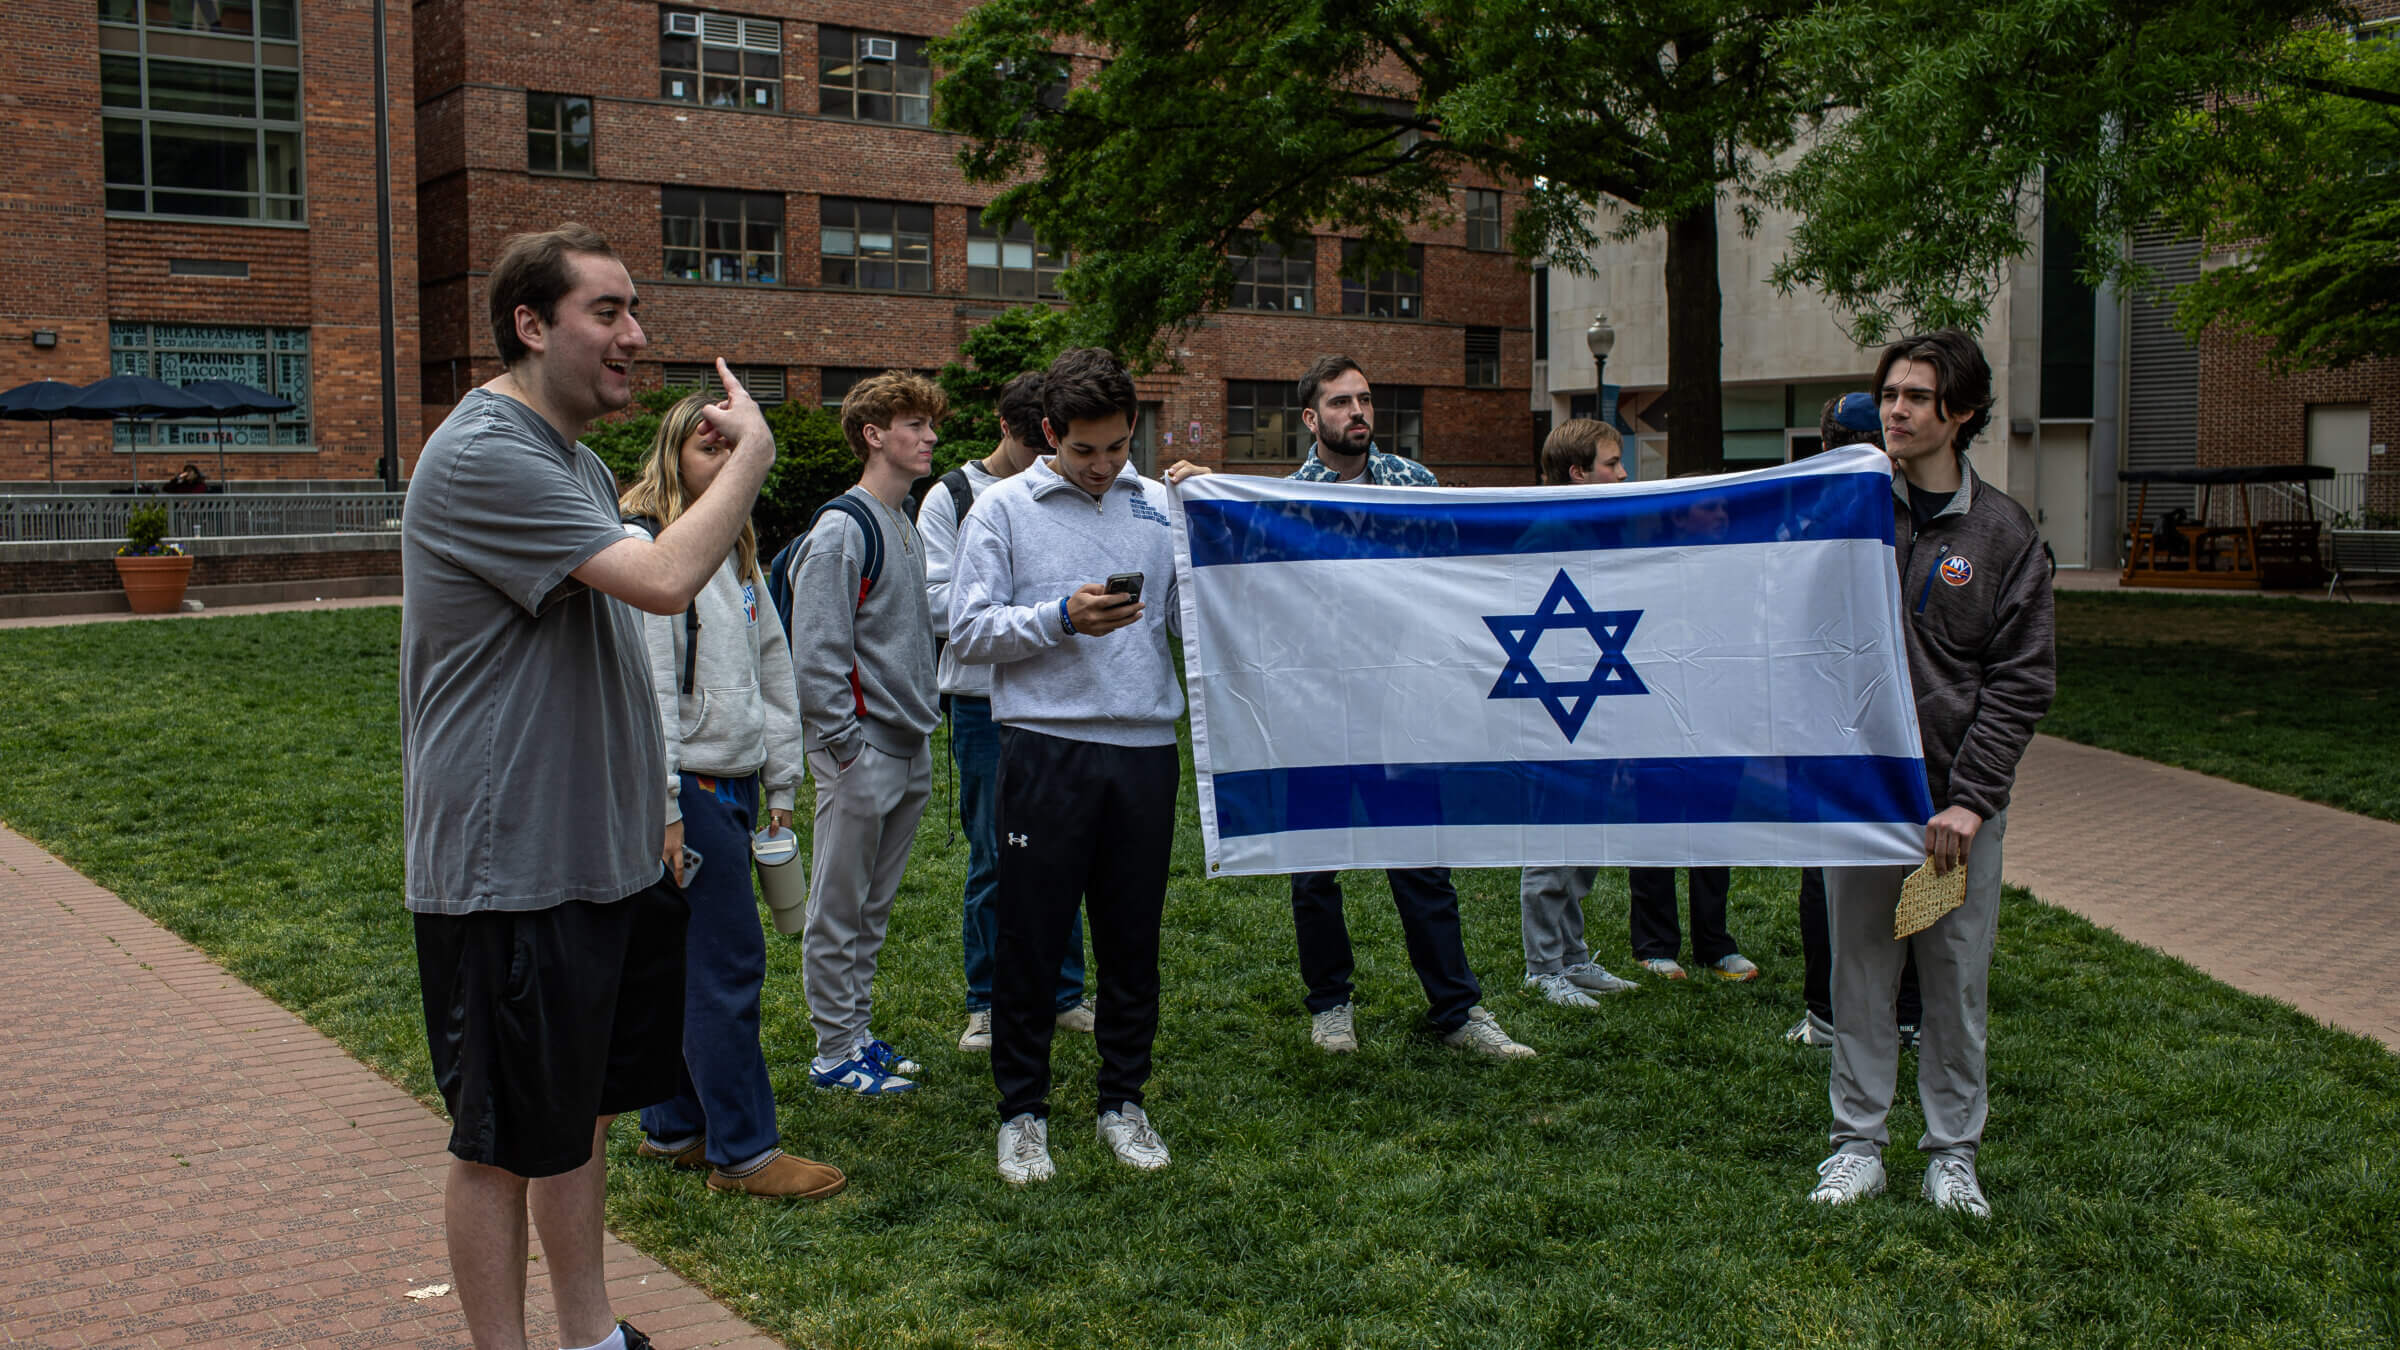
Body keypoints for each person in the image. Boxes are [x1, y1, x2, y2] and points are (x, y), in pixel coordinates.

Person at [400, 222, 775, 1350]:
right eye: (606, 312)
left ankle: (591, 1337)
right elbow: (662, 579)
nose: (635, 336)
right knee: (500, 1143)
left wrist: (652, 815)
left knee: (578, 1121)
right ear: (531, 323)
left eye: (634, 311)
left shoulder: (564, 459)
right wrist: (751, 457)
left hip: (596, 859)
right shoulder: (485, 453)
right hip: (506, 868)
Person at [1808, 329, 2054, 1218]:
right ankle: (1857, 1145)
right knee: (1860, 980)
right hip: (1865, 804)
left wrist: (1972, 801)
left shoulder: (2003, 534)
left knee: (1954, 985)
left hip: (1954, 816)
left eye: (1917, 397)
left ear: (1961, 414)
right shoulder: (1849, 507)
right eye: (1890, 394)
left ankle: (1952, 1154)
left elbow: (2022, 681)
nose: (1896, 410)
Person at [949, 346, 1207, 1184]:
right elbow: (969, 630)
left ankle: (1123, 1102)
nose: (1101, 467)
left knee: (1133, 940)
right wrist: (1060, 617)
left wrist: (1212, 520)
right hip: (1044, 748)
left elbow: (1186, 616)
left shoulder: (1160, 505)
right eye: (1083, 449)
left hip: (1143, 751)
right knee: (1031, 940)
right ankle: (1022, 1115)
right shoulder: (1001, 511)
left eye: (1117, 447)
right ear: (1049, 433)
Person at [618, 393, 844, 1199]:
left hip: (741, 786)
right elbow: (646, 691)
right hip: (693, 794)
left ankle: (675, 1128)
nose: (722, 460)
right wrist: (668, 807)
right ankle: (744, 1153)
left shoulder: (741, 555)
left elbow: (775, 674)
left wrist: (781, 786)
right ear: (672, 454)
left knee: (687, 968)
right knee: (725, 968)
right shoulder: (646, 547)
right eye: (706, 447)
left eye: (733, 447)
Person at [1284, 354, 1533, 1059]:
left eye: (1364, 399)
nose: (1357, 412)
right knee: (1315, 866)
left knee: (1422, 861)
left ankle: (1456, 1010)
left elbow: (1451, 580)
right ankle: (1331, 1005)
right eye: (1340, 403)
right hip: (1319, 707)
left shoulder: (1414, 483)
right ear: (1312, 418)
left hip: (1407, 702)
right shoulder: (1286, 502)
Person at [919, 370, 1095, 1053]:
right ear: (1006, 428)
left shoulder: (1068, 486)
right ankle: (986, 1000)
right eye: (1029, 446)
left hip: (1056, 695)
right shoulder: (954, 497)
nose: (1037, 461)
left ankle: (1065, 993)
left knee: (1067, 845)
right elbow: (935, 604)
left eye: (1046, 446)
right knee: (996, 853)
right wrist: (1020, 604)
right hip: (981, 700)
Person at [787, 371, 946, 1096]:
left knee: (871, 908)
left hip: (908, 746)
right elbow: (817, 652)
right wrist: (846, 749)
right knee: (838, 905)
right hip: (862, 750)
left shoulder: (903, 522)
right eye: (914, 425)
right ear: (874, 434)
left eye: (930, 425)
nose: (930, 437)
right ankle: (832, 1055)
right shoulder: (843, 528)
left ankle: (856, 1035)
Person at [1788, 393, 1921, 1048]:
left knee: (1831, 866)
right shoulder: (1929, 508)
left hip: (1843, 714)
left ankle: (1829, 1013)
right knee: (1912, 860)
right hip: (1906, 715)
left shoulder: (1815, 515)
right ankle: (1909, 1010)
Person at [1515, 419, 1642, 1009]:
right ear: (1578, 472)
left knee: (1588, 832)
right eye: (1613, 463)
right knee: (1550, 833)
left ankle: (1572, 955)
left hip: (1599, 699)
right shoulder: (1541, 534)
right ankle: (1542, 966)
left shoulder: (1610, 530)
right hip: (1551, 702)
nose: (1624, 473)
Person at [1626, 482, 1760, 985]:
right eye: (1711, 507)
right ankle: (1654, 945)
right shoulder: (1652, 570)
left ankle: (1715, 942)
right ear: (1682, 518)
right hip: (1655, 717)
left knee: (1713, 832)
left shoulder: (1736, 570)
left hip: (1719, 718)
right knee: (1656, 831)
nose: (1722, 514)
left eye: (1725, 506)